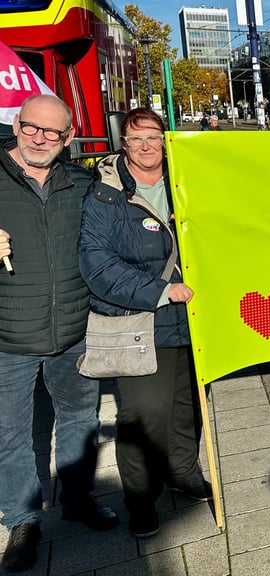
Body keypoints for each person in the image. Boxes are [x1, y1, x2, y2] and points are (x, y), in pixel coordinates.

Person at [78, 108, 210, 539]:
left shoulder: (188, 179)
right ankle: (141, 498)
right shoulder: (105, 194)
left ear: (166, 140)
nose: (146, 146)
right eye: (136, 138)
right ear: (124, 144)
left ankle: (183, 473)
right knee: (145, 414)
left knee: (189, 406)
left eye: (153, 136)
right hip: (140, 321)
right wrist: (160, 291)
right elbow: (96, 263)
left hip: (193, 318)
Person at [0, 94, 119, 572]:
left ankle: (78, 499)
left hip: (73, 330)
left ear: (68, 137)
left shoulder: (81, 183)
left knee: (79, 418)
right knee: (9, 433)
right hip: (7, 335)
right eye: (32, 127)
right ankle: (22, 520)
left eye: (53, 132)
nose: (40, 139)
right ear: (16, 124)